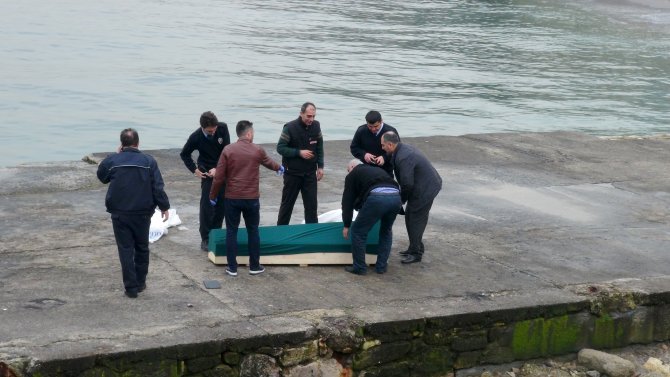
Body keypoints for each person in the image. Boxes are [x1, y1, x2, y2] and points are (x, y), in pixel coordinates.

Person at [97, 128, 170, 298]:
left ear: (121, 144)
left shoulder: (113, 161)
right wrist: (164, 207)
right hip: (142, 212)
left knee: (125, 249)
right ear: (138, 143)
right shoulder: (148, 161)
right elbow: (157, 187)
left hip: (120, 212)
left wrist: (113, 155)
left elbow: (102, 176)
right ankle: (140, 282)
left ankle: (130, 288)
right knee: (142, 247)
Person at [210, 120, 283, 277]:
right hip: (251, 199)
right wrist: (279, 167)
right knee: (253, 230)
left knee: (231, 231)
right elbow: (269, 163)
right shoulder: (257, 150)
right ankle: (254, 266)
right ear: (249, 133)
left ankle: (232, 268)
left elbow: (219, 177)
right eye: (253, 132)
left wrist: (213, 195)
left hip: (232, 198)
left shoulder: (228, 150)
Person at [380, 131, 442, 264]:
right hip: (423, 185)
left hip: (425, 189)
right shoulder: (400, 150)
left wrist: (401, 200)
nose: (382, 148)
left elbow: (407, 183)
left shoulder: (404, 156)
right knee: (410, 216)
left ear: (390, 144)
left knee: (415, 218)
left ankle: (416, 253)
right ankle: (415, 246)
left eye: (383, 145)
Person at [180, 111, 231, 251]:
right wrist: (194, 170)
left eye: (214, 129)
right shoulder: (196, 137)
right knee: (207, 206)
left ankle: (216, 233)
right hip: (207, 172)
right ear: (203, 128)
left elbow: (227, 152)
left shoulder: (222, 128)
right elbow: (184, 154)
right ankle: (206, 238)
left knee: (221, 204)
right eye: (210, 131)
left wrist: (218, 169)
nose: (213, 132)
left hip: (222, 169)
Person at [341, 159, 402, 275]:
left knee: (358, 231)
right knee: (386, 231)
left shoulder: (353, 174)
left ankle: (359, 267)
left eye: (348, 170)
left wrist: (347, 224)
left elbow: (347, 202)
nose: (348, 173)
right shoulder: (376, 170)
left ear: (353, 167)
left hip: (377, 198)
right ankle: (381, 267)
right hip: (396, 197)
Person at [276, 102, 324, 225]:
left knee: (312, 206)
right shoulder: (290, 128)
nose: (311, 119)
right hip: (292, 173)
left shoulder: (316, 126)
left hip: (309, 173)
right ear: (301, 113)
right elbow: (280, 148)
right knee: (287, 205)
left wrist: (321, 166)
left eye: (313, 116)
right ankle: (281, 230)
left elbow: (319, 146)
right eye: (308, 116)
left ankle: (312, 233)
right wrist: (299, 153)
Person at [350, 110, 399, 177]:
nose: (373, 129)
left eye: (376, 126)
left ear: (381, 121)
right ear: (366, 122)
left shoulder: (391, 131)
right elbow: (354, 148)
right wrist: (364, 155)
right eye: (370, 126)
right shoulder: (361, 130)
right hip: (366, 168)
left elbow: (397, 150)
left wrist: (384, 158)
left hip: (386, 169)